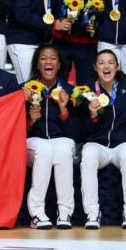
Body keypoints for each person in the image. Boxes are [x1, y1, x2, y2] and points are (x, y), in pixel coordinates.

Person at [79, 50, 126, 230]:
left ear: (117, 67)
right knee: (88, 155)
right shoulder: (87, 90)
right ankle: (92, 213)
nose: (106, 66)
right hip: (97, 144)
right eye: (102, 63)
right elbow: (83, 131)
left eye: (111, 62)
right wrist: (92, 115)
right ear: (95, 68)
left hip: (122, 143)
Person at [24, 44, 77, 230]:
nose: (48, 62)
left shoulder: (70, 91)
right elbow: (14, 128)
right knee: (45, 149)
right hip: (33, 143)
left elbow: (75, 132)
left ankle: (65, 212)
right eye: (43, 59)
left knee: (62, 149)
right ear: (37, 65)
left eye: (53, 58)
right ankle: (37, 213)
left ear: (60, 65)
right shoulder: (25, 90)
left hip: (61, 140)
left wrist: (64, 109)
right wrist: (30, 120)